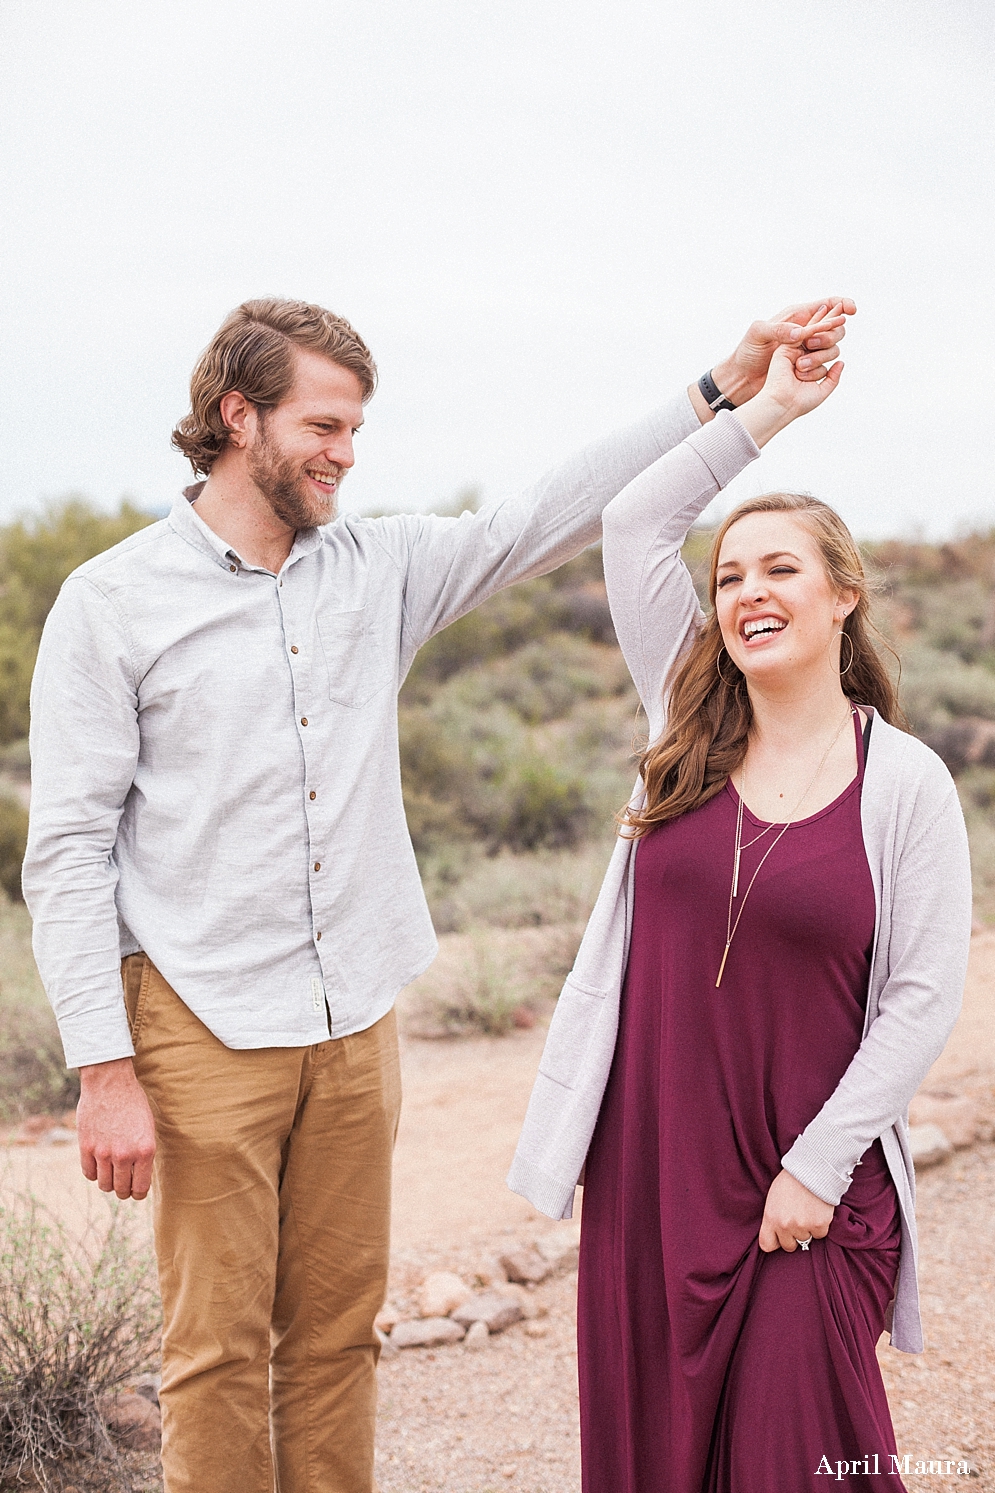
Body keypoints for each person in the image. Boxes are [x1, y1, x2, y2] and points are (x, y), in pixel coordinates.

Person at [24, 294, 851, 1493]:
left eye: (354, 430)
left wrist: (721, 387)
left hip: (356, 1015)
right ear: (232, 415)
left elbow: (546, 512)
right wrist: (103, 1067)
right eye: (321, 426)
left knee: (335, 1338)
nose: (344, 455)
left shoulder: (377, 568)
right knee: (211, 1354)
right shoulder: (110, 602)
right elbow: (68, 846)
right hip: (197, 1021)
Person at [508, 312, 973, 1492]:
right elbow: (630, 522)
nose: (747, 592)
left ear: (842, 597)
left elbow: (920, 997)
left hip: (802, 1184)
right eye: (727, 575)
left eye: (779, 568)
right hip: (650, 1172)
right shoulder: (687, 724)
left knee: (800, 1462)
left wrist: (817, 1164)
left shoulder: (902, 780)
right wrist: (762, 408)